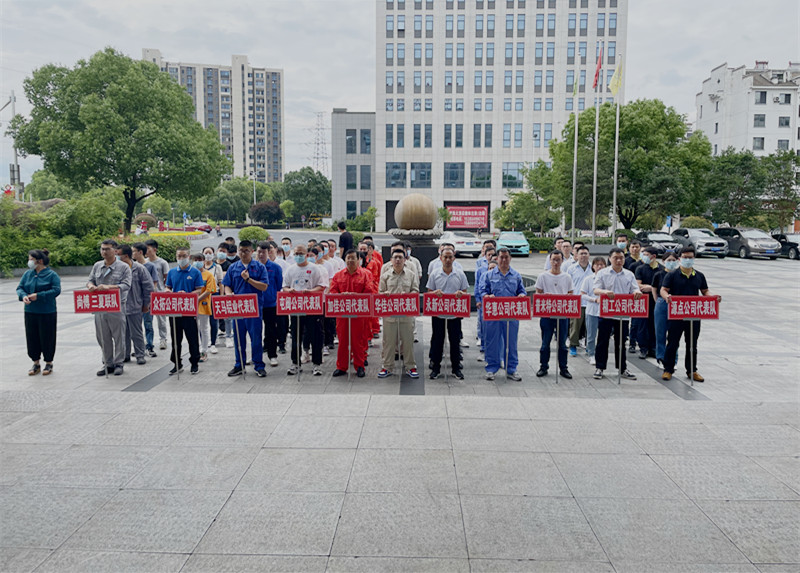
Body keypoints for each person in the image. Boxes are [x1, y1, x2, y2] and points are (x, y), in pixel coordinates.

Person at [660, 246, 721, 382]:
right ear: (679, 259)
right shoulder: (672, 275)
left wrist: (712, 297)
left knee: (692, 343)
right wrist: (667, 297)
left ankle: (692, 370)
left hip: (694, 314)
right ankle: (668, 369)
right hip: (676, 314)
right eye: (685, 257)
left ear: (694, 259)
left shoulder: (699, 276)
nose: (687, 260)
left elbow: (705, 291)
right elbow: (663, 290)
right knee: (673, 342)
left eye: (690, 257)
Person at [592, 247, 643, 380]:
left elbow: (635, 289)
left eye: (621, 258)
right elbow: (595, 289)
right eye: (616, 258)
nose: (619, 260)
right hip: (606, 312)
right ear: (610, 259)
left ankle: (622, 368)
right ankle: (600, 367)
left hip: (622, 313)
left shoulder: (629, 274)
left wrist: (637, 292)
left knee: (621, 342)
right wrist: (604, 292)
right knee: (602, 341)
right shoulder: (602, 273)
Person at [222, 240, 268, 377]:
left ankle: (258, 365)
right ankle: (239, 365)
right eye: (241, 251)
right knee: (238, 338)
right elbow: (227, 285)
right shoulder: (233, 267)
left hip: (254, 309)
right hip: (238, 308)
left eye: (246, 251)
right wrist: (228, 294)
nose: (243, 253)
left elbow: (264, 286)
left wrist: (248, 279)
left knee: (256, 338)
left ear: (252, 251)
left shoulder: (259, 267)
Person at [480, 247, 527, 381]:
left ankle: (511, 369)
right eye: (501, 257)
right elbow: (483, 291)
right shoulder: (488, 275)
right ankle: (491, 368)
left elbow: (521, 290)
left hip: (511, 314)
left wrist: (522, 295)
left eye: (506, 257)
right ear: (497, 258)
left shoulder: (516, 275)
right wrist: (487, 296)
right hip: (493, 314)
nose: (504, 260)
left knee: (511, 342)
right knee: (492, 341)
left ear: (510, 258)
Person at [329, 249, 377, 378]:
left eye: (353, 258)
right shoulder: (338, 275)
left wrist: (355, 296)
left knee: (358, 340)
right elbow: (333, 292)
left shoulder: (365, 274)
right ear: (345, 260)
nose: (350, 260)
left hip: (359, 313)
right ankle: (341, 366)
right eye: (348, 258)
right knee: (343, 340)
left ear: (358, 260)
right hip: (343, 314)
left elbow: (369, 291)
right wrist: (341, 296)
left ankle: (359, 365)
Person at [88, 239, 131, 376]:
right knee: (102, 336)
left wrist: (109, 287)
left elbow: (126, 285)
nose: (104, 252)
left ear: (115, 251)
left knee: (119, 336)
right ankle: (107, 363)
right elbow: (90, 280)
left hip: (116, 306)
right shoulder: (97, 266)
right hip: (100, 306)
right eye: (102, 249)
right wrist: (91, 286)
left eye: (107, 249)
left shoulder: (123, 267)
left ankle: (119, 363)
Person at [282, 244, 328, 376]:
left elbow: (321, 286)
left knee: (315, 335)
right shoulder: (290, 269)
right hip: (296, 307)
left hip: (312, 306)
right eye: (296, 254)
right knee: (296, 335)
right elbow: (285, 286)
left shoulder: (315, 269)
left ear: (307, 255)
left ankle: (317, 364)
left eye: (301, 254)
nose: (298, 256)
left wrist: (311, 291)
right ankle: (295, 363)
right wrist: (289, 290)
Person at [427, 247, 469, 380]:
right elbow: (429, 292)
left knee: (455, 341)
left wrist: (461, 294)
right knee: (437, 341)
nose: (448, 260)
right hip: (439, 313)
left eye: (450, 257)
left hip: (454, 314)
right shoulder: (435, 274)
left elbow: (465, 292)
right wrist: (435, 293)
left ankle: (456, 368)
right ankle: (436, 367)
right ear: (441, 258)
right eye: (445, 257)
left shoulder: (460, 274)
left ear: (454, 258)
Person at [17, 249, 61, 376]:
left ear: (39, 261)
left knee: (47, 337)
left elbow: (56, 290)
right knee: (32, 337)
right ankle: (35, 362)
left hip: (47, 311)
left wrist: (39, 296)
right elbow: (20, 288)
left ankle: (49, 362)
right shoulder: (28, 274)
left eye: (31, 259)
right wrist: (23, 296)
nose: (29, 262)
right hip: (30, 311)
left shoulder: (52, 275)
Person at [378, 248, 420, 379]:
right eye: (395, 257)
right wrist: (384, 294)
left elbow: (415, 291)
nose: (397, 260)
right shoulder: (385, 276)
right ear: (391, 260)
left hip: (406, 315)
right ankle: (387, 367)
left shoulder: (411, 275)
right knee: (389, 342)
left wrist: (408, 295)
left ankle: (410, 367)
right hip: (390, 316)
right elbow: (379, 293)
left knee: (408, 342)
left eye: (400, 257)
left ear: (405, 260)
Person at [165, 246, 205, 375]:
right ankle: (177, 363)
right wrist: (171, 292)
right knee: (175, 338)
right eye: (179, 256)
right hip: (175, 310)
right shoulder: (172, 272)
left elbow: (199, 290)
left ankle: (194, 363)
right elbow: (168, 288)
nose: (181, 258)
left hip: (189, 310)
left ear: (189, 257)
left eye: (183, 256)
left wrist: (187, 295)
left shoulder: (195, 272)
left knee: (192, 338)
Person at [535, 250, 574, 379]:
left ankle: (563, 368)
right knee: (545, 342)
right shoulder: (543, 276)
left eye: (558, 260)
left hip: (562, 314)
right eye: (553, 260)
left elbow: (571, 294)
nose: (556, 263)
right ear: (550, 261)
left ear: (562, 261)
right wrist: (545, 296)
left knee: (562, 343)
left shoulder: (567, 277)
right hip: (547, 313)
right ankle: (543, 366)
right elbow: (538, 293)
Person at [117, 244, 154, 366]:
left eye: (119, 255)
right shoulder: (117, 269)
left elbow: (148, 287)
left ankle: (140, 355)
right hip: (120, 307)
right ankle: (125, 355)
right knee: (123, 333)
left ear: (126, 256)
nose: (117, 257)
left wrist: (146, 304)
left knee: (136, 332)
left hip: (135, 306)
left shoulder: (139, 268)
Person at [256, 241, 283, 367]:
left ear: (269, 252)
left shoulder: (275, 267)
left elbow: (278, 285)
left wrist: (272, 296)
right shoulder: (252, 266)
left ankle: (272, 355)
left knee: (271, 330)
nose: (261, 254)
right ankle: (256, 355)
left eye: (264, 252)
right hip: (255, 304)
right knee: (255, 331)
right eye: (259, 252)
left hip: (270, 304)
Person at [634, 246, 662, 360]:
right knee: (642, 325)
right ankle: (643, 348)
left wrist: (651, 288)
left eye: (646, 255)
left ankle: (653, 348)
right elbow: (638, 285)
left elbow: (664, 286)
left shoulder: (661, 269)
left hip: (656, 300)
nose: (643, 257)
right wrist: (652, 287)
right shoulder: (640, 269)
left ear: (653, 256)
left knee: (654, 324)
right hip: (643, 300)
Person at [132, 242, 160, 358]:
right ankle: (139, 348)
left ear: (140, 252)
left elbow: (154, 284)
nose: (132, 253)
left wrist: (148, 299)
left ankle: (149, 346)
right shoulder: (130, 266)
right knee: (136, 326)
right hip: (134, 301)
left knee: (148, 324)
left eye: (134, 251)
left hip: (147, 300)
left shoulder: (150, 266)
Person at [653, 251, 679, 367]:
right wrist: (658, 300)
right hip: (662, 303)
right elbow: (654, 288)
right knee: (660, 332)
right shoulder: (659, 274)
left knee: (674, 334)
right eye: (669, 260)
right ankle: (661, 357)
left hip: (676, 304)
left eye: (673, 260)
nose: (671, 262)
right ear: (663, 261)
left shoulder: (679, 274)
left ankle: (673, 359)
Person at [580, 257, 607, 366]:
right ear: (593, 267)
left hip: (606, 311)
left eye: (602, 264)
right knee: (591, 334)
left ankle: (600, 355)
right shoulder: (588, 279)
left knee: (603, 335)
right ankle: (591, 353)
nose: (599, 267)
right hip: (592, 310)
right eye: (597, 265)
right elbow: (582, 294)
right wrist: (594, 300)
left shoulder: (608, 279)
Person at [144, 239, 170, 350]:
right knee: (147, 320)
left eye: (148, 249)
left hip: (159, 294)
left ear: (154, 249)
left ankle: (163, 339)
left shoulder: (162, 263)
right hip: (147, 295)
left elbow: (167, 278)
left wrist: (164, 290)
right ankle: (149, 342)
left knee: (161, 319)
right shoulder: (144, 263)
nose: (146, 251)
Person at [567, 245, 592, 356]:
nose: (583, 256)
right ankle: (573, 345)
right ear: (576, 255)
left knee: (589, 326)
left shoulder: (593, 268)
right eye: (581, 253)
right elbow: (567, 285)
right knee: (575, 326)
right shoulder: (571, 269)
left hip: (591, 301)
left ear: (589, 255)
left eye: (585, 253)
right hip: (576, 301)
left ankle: (589, 346)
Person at [191, 254, 217, 362]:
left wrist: (197, 299)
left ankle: (204, 350)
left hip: (203, 305)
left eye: (200, 260)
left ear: (203, 261)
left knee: (204, 328)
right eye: (195, 260)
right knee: (193, 329)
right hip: (190, 306)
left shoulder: (208, 275)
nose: (198, 262)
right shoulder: (190, 274)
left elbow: (209, 290)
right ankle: (195, 350)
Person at [202, 246, 224, 354]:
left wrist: (221, 296)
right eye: (205, 253)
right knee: (202, 321)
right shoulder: (199, 267)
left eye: (209, 253)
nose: (208, 255)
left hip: (214, 294)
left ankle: (213, 343)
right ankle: (204, 343)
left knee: (213, 321)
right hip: (202, 296)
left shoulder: (217, 267)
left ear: (213, 254)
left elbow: (221, 283)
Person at [474, 248, 496, 357]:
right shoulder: (482, 272)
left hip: (497, 305)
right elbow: (478, 287)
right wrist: (479, 299)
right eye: (489, 255)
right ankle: (483, 347)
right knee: (483, 325)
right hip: (485, 303)